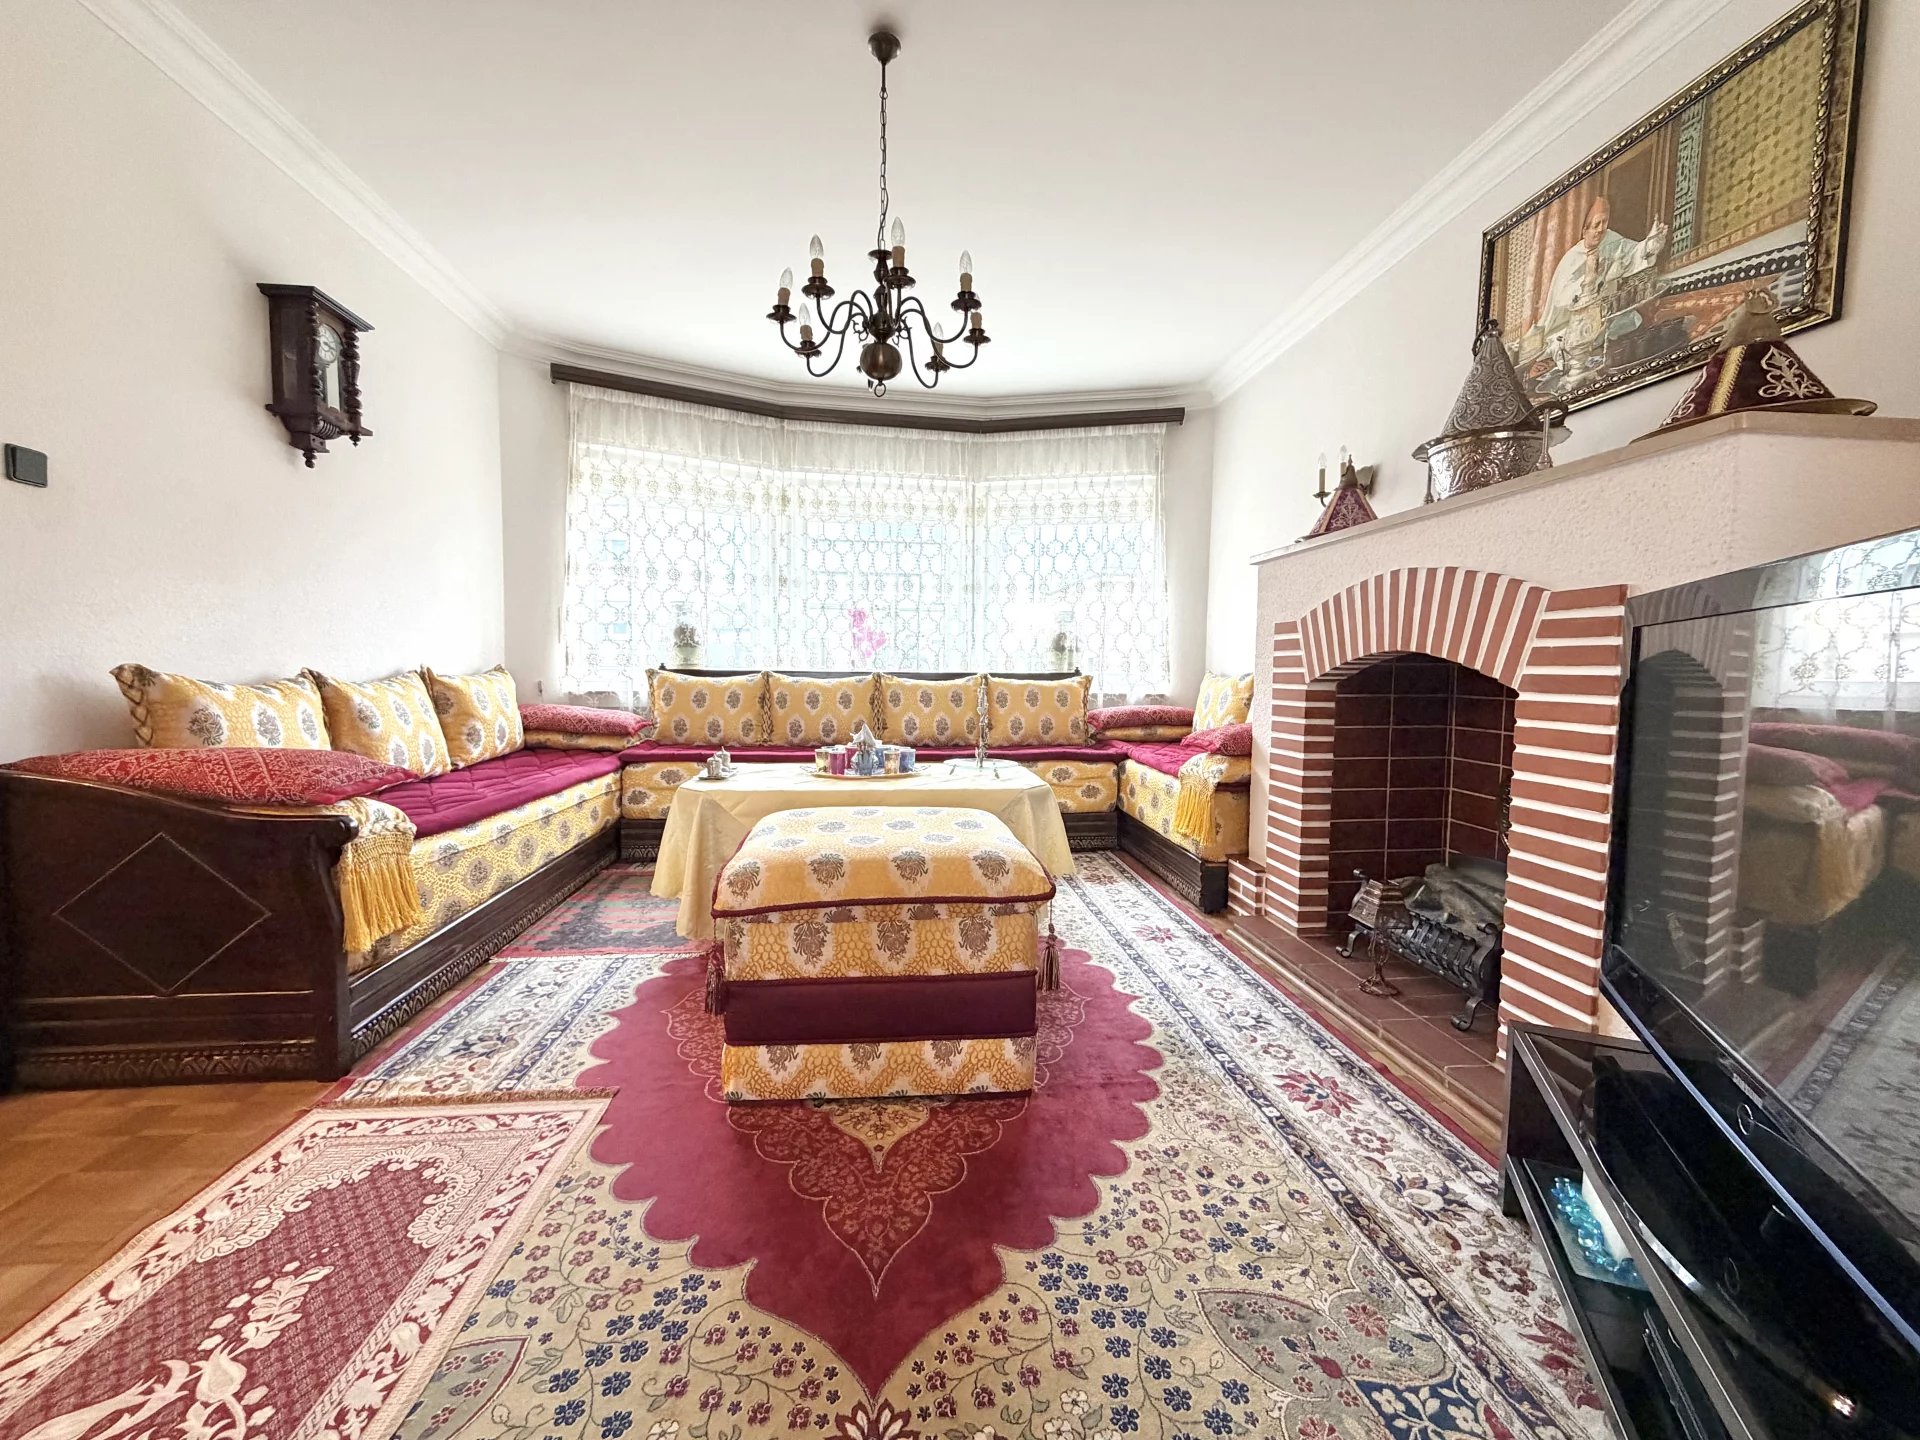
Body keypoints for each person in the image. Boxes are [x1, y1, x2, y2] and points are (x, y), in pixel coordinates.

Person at [1528, 195, 1668, 351]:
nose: (1601, 229)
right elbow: (1562, 298)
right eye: (1596, 225)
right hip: (1574, 322)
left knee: (1633, 321)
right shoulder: (1572, 259)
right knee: (1573, 342)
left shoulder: (1611, 240)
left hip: (1606, 315)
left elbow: (1634, 253)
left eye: (1604, 222)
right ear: (1584, 230)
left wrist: (1651, 245)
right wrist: (1593, 279)